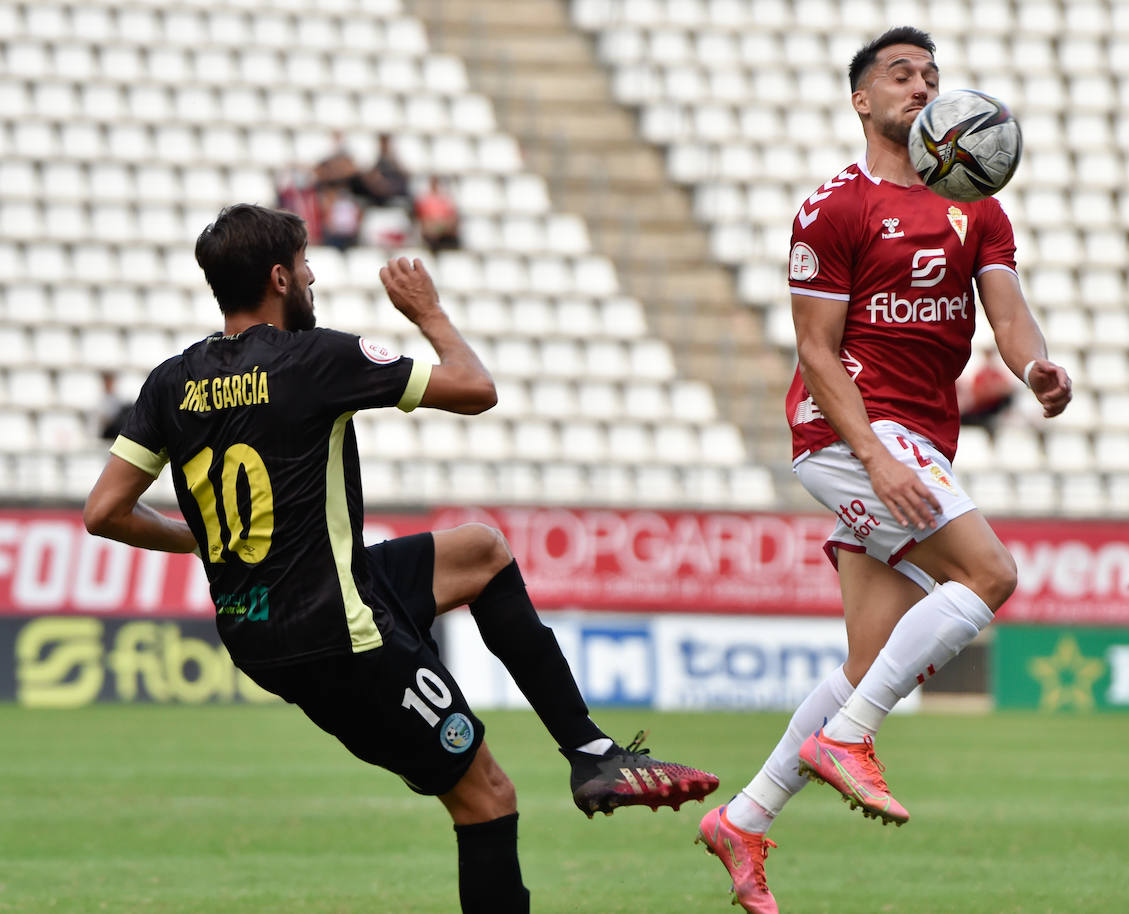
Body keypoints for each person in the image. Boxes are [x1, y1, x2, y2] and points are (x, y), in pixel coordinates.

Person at [83, 204, 719, 913]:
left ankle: (593, 755)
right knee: (486, 797)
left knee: (480, 550)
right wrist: (430, 313)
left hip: (260, 627)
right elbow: (476, 389)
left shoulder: (169, 382)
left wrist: (199, 538)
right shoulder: (313, 357)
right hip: (339, 633)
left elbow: (103, 511)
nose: (313, 274)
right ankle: (589, 765)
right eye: (303, 264)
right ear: (278, 279)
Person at [695, 27, 1071, 912]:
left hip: (924, 439)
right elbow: (815, 353)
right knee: (990, 574)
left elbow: (1010, 315)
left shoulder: (976, 203)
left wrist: (1037, 367)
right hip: (849, 431)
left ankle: (743, 821)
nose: (921, 85)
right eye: (901, 74)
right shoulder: (835, 208)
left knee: (867, 661)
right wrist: (874, 457)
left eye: (931, 75)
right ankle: (850, 741)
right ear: (861, 100)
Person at [957, 345, 1018, 429]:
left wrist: (995, 390)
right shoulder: (981, 374)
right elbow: (978, 394)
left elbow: (1008, 389)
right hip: (980, 410)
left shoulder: (997, 373)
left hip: (993, 408)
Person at [415, 176, 462, 253]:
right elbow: (423, 220)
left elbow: (452, 218)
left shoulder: (446, 200)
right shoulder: (424, 200)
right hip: (431, 232)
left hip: (444, 232)